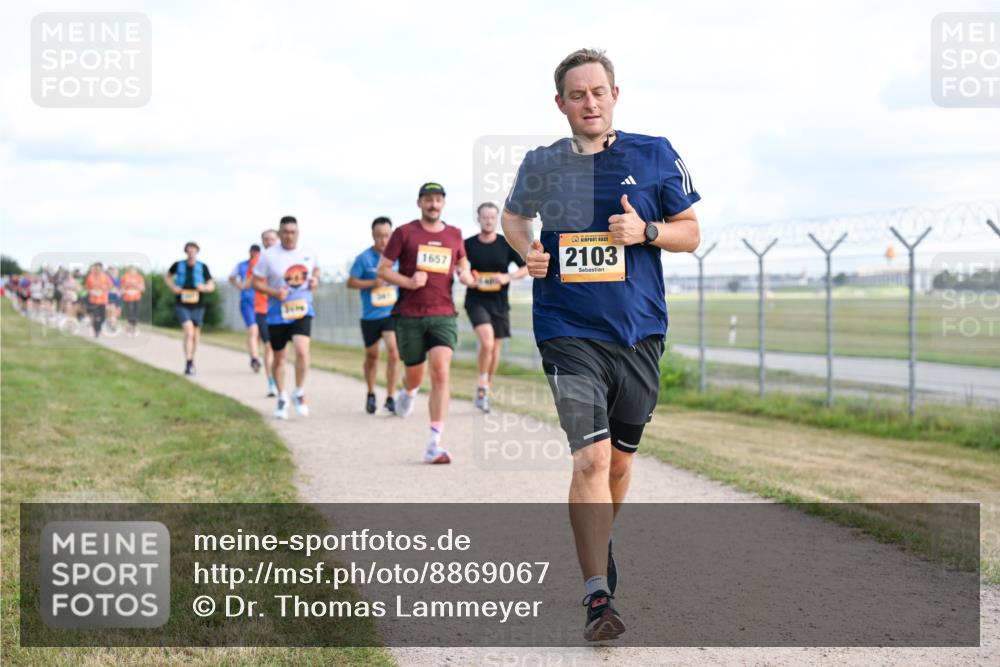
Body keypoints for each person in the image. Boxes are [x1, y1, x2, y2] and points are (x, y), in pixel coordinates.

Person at [501, 48, 701, 641]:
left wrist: (648, 231)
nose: (589, 102)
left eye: (598, 91)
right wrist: (527, 252)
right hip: (566, 328)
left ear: (615, 95)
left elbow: (691, 233)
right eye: (577, 94)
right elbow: (515, 221)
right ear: (559, 103)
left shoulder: (655, 152)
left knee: (619, 461)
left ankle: (600, 541)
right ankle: (597, 595)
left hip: (639, 331)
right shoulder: (541, 163)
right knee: (589, 457)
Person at [377, 182, 476, 464]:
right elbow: (382, 270)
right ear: (419, 203)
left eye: (438, 200)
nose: (433, 205)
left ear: (443, 204)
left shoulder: (455, 234)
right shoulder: (405, 233)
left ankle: (435, 442)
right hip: (409, 315)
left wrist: (466, 276)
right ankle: (408, 392)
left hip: (443, 313)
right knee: (414, 374)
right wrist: (408, 281)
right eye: (428, 200)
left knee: (441, 371)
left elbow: (463, 265)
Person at [252, 216, 320, 419]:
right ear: (280, 233)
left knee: (301, 350)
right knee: (279, 357)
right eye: (286, 232)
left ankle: (299, 391)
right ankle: (282, 396)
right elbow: (256, 283)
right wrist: (274, 293)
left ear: (298, 233)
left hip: (301, 309)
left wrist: (315, 278)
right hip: (277, 314)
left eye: (293, 232)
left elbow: (315, 269)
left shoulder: (308, 253)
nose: (289, 235)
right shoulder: (268, 256)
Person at [464, 202, 528, 412]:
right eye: (485, 217)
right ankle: (482, 383)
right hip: (476, 301)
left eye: (492, 217)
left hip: (499, 303)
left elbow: (525, 267)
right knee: (487, 343)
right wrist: (468, 277)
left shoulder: (504, 244)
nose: (488, 220)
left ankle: (484, 391)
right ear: (479, 218)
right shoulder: (468, 245)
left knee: (495, 349)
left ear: (496, 219)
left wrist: (507, 276)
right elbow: (460, 269)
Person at [348, 217, 402, 415]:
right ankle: (371, 392)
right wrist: (372, 283)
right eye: (379, 236)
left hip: (391, 313)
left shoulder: (398, 257)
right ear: (373, 236)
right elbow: (351, 282)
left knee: (394, 351)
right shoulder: (364, 258)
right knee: (373, 356)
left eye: (387, 236)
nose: (383, 241)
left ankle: (390, 396)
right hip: (370, 316)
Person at [165, 242, 216, 375]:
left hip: (198, 303)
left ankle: (191, 359)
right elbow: (167, 277)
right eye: (189, 251)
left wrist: (204, 287)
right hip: (182, 301)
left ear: (197, 252)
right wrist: (173, 287)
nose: (191, 253)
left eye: (194, 251)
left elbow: (211, 285)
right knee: (189, 331)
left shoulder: (203, 267)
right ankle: (188, 362)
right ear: (186, 252)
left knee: (196, 334)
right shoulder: (178, 265)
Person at [229, 244, 264, 373]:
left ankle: (255, 354)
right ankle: (255, 359)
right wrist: (240, 286)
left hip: (262, 302)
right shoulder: (241, 265)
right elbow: (231, 278)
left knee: (259, 333)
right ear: (249, 252)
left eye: (257, 252)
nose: (254, 254)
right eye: (253, 252)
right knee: (253, 330)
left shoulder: (263, 265)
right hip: (247, 302)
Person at [256, 229, 280, 397]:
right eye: (267, 239)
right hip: (263, 309)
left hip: (281, 309)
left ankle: (280, 380)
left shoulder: (285, 260)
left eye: (272, 239)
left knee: (281, 350)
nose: (270, 242)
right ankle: (271, 382)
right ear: (263, 242)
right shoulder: (258, 261)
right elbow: (251, 282)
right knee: (269, 347)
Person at [83, 263, 114, 338]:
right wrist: (91, 291)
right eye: (95, 268)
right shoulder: (90, 276)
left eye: (98, 268)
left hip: (103, 300)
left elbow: (110, 286)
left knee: (102, 317)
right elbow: (86, 287)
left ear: (101, 268)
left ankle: (98, 328)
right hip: (93, 300)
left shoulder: (105, 277)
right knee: (96, 316)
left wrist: (103, 290)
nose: (97, 269)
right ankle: (96, 331)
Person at [120, 265, 146, 336]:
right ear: (128, 270)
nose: (132, 271)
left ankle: (134, 328)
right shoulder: (124, 277)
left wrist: (135, 285)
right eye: (130, 270)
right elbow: (122, 288)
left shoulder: (140, 277)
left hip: (137, 297)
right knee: (130, 313)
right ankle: (130, 328)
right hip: (127, 297)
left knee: (136, 313)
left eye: (134, 270)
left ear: (136, 270)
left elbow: (143, 289)